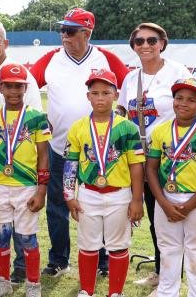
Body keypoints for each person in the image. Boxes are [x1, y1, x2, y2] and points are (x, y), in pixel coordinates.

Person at [29, 8, 128, 278]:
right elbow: (26, 87)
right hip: (60, 148)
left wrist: (121, 114)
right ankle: (59, 259)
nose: (64, 35)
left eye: (70, 31)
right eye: (62, 30)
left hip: (100, 153)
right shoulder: (51, 59)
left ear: (87, 33)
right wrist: (40, 118)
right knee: (57, 205)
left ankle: (103, 261)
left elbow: (129, 88)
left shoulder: (106, 58)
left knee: (102, 203)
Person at [116, 22, 193, 288]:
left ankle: (172, 277)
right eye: (139, 42)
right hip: (139, 158)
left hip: (172, 156)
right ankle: (163, 272)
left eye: (151, 40)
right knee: (153, 216)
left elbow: (193, 108)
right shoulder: (130, 78)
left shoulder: (178, 71)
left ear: (162, 43)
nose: (145, 46)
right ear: (133, 46)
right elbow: (121, 115)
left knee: (171, 216)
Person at [63, 69, 144, 297]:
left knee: (118, 245)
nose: (100, 98)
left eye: (106, 93)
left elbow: (136, 166)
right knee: (88, 244)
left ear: (115, 95)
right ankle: (86, 291)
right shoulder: (78, 127)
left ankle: (115, 292)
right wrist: (70, 196)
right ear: (88, 96)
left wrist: (137, 199)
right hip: (89, 193)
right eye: (95, 93)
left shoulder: (127, 128)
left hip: (120, 195)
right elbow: (70, 165)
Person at [0, 20, 42, 279]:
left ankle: (22, 266)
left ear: (6, 44)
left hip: (19, 155)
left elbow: (33, 116)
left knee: (22, 214)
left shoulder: (21, 75)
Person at [0, 64, 51, 297]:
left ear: (25, 88)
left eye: (18, 86)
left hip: (27, 187)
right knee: (1, 236)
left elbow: (44, 155)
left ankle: (33, 285)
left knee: (28, 237)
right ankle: (3, 281)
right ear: (0, 87)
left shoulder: (37, 118)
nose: (13, 91)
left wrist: (42, 190)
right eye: (8, 86)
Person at [145, 78, 196, 297]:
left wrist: (188, 206)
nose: (183, 103)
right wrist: (163, 203)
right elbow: (150, 170)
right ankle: (167, 292)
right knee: (168, 250)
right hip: (166, 199)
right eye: (179, 98)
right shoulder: (160, 132)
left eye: (191, 99)